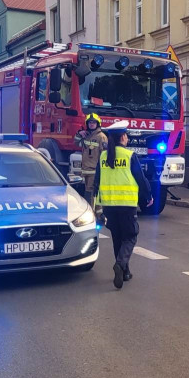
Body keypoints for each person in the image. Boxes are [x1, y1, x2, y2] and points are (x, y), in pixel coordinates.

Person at [92, 123, 152, 289]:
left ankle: (125, 272)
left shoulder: (103, 157)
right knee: (131, 236)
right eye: (126, 135)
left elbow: (96, 182)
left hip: (109, 205)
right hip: (126, 204)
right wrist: (148, 196)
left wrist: (97, 205)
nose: (127, 138)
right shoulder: (129, 155)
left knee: (118, 238)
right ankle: (120, 264)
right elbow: (140, 178)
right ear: (123, 137)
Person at [73, 113, 108, 211]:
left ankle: (94, 213)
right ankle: (94, 212)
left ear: (98, 124)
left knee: (91, 193)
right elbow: (77, 143)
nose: (92, 124)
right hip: (85, 170)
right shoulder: (86, 135)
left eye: (94, 122)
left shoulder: (101, 137)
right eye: (90, 122)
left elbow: (105, 154)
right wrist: (79, 134)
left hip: (95, 170)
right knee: (87, 192)